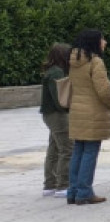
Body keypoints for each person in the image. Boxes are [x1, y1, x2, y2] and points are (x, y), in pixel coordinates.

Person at [67, 29, 110, 205]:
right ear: (95, 42)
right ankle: (84, 192)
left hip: (77, 110)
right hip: (93, 111)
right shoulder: (96, 62)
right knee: (90, 152)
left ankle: (73, 191)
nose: (105, 42)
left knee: (78, 150)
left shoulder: (73, 61)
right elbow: (102, 89)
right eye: (102, 39)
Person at [39, 42, 72, 198]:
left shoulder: (52, 71)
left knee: (54, 148)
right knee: (67, 148)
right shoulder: (57, 73)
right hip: (57, 115)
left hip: (50, 114)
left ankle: (50, 185)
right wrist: (67, 109)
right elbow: (59, 98)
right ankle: (63, 185)